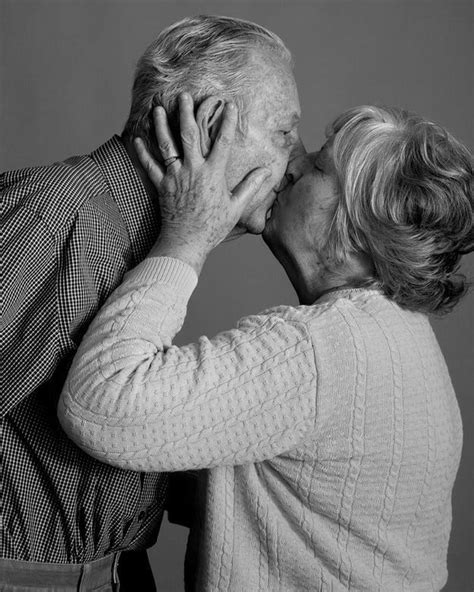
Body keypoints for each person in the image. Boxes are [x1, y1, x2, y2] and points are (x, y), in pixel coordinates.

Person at [58, 96, 473, 591]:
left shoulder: (321, 348)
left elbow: (100, 405)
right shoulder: (397, 335)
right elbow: (301, 501)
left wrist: (187, 236)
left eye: (319, 165)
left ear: (357, 231)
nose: (293, 165)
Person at [0, 15, 301, 590]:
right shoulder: (63, 219)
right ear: (209, 124)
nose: (298, 161)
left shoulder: (141, 241)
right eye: (285, 134)